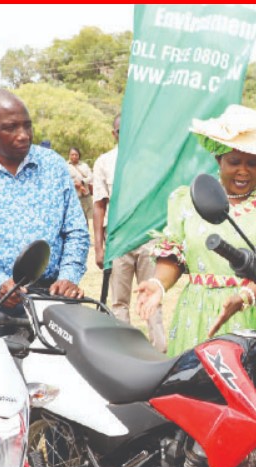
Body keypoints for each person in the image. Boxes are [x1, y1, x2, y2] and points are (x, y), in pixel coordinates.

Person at [135, 104, 256, 357]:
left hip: (253, 315)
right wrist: (159, 284)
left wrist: (245, 296)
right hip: (197, 315)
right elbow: (176, 256)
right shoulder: (186, 201)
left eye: (252, 163)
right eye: (234, 161)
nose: (243, 171)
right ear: (218, 159)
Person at [0, 89, 89, 335]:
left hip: (56, 297)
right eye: (10, 127)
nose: (23, 135)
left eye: (27, 126)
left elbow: (76, 230)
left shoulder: (53, 165)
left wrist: (69, 276)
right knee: (4, 372)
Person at [93, 114, 166, 352]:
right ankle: (123, 350)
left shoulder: (154, 161)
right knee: (119, 302)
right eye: (120, 130)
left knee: (152, 297)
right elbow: (99, 205)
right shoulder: (104, 162)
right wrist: (99, 246)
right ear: (114, 134)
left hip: (148, 239)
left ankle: (158, 350)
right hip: (119, 241)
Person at [67, 147, 93, 224]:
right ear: (69, 155)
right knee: (75, 218)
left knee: (87, 218)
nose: (74, 156)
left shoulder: (84, 165)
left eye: (76, 154)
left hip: (85, 196)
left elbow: (91, 177)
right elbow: (64, 180)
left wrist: (82, 182)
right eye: (72, 154)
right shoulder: (65, 166)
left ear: (79, 156)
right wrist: (76, 184)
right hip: (73, 197)